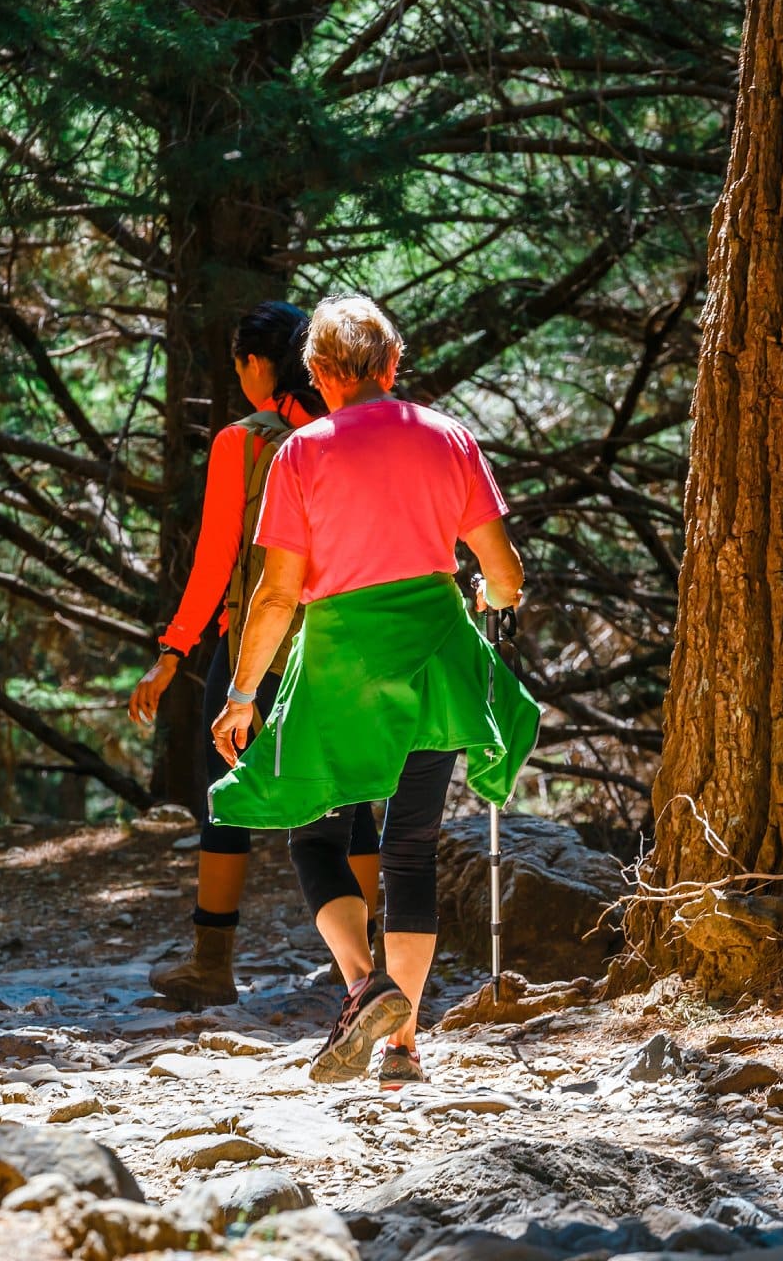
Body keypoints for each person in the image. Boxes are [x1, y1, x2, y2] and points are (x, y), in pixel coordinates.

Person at [209, 294, 538, 1088]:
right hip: (432, 660)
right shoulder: (450, 438)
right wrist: (492, 603)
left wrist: (243, 692)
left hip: (339, 672)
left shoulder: (300, 454)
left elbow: (277, 596)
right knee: (412, 850)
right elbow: (505, 575)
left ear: (319, 375)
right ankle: (403, 1051)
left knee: (318, 838)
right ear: (392, 368)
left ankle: (365, 986)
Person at [129, 300, 380, 1009]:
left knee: (227, 802)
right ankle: (362, 964)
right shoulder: (347, 435)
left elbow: (215, 564)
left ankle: (211, 965)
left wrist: (172, 653)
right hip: (341, 650)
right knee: (352, 805)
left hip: (255, 654)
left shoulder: (244, 441)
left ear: (252, 365)